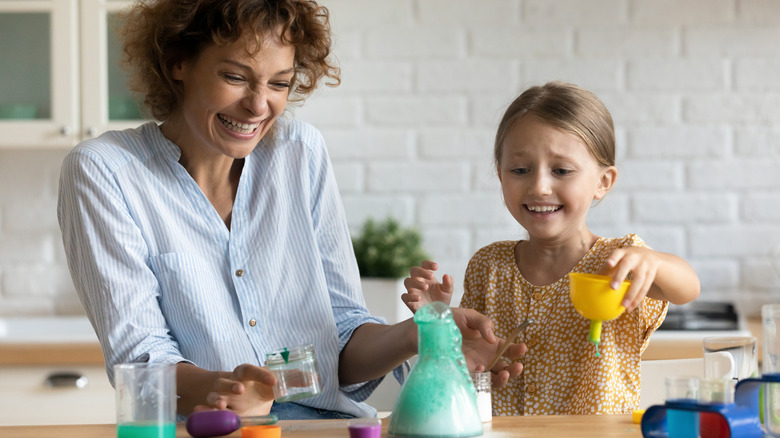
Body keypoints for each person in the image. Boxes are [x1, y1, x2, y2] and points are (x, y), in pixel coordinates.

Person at [57, 0, 526, 420]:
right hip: (209, 431)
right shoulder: (106, 172)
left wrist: (421, 337)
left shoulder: (300, 152)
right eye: (235, 77)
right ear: (177, 62)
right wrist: (224, 389)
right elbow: (141, 361)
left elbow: (340, 334)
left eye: (279, 83)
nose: (258, 105)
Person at [402, 81, 701, 415]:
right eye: (519, 170)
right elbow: (467, 373)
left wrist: (653, 261)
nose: (539, 186)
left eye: (561, 170)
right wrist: (436, 327)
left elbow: (687, 288)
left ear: (603, 182)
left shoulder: (621, 262)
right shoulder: (489, 265)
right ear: (501, 177)